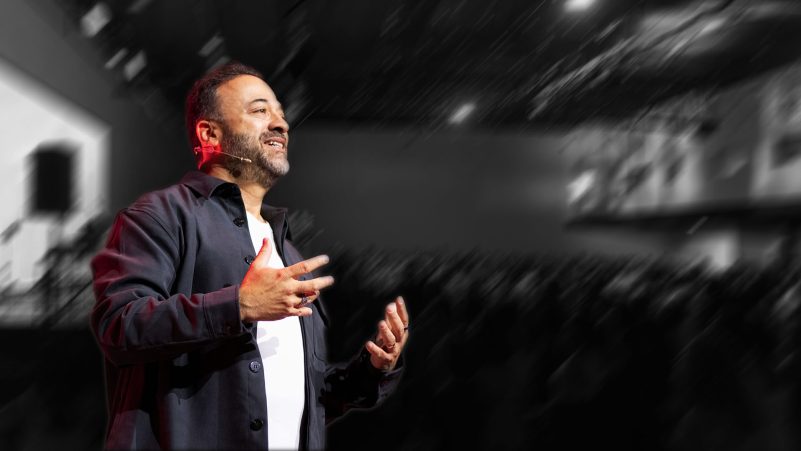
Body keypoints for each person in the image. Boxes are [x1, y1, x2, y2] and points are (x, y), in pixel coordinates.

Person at [90, 61, 409, 450]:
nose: (280, 124)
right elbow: (119, 326)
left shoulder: (286, 250)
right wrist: (238, 305)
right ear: (210, 133)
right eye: (260, 110)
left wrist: (371, 370)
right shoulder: (161, 216)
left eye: (281, 113)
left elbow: (303, 397)